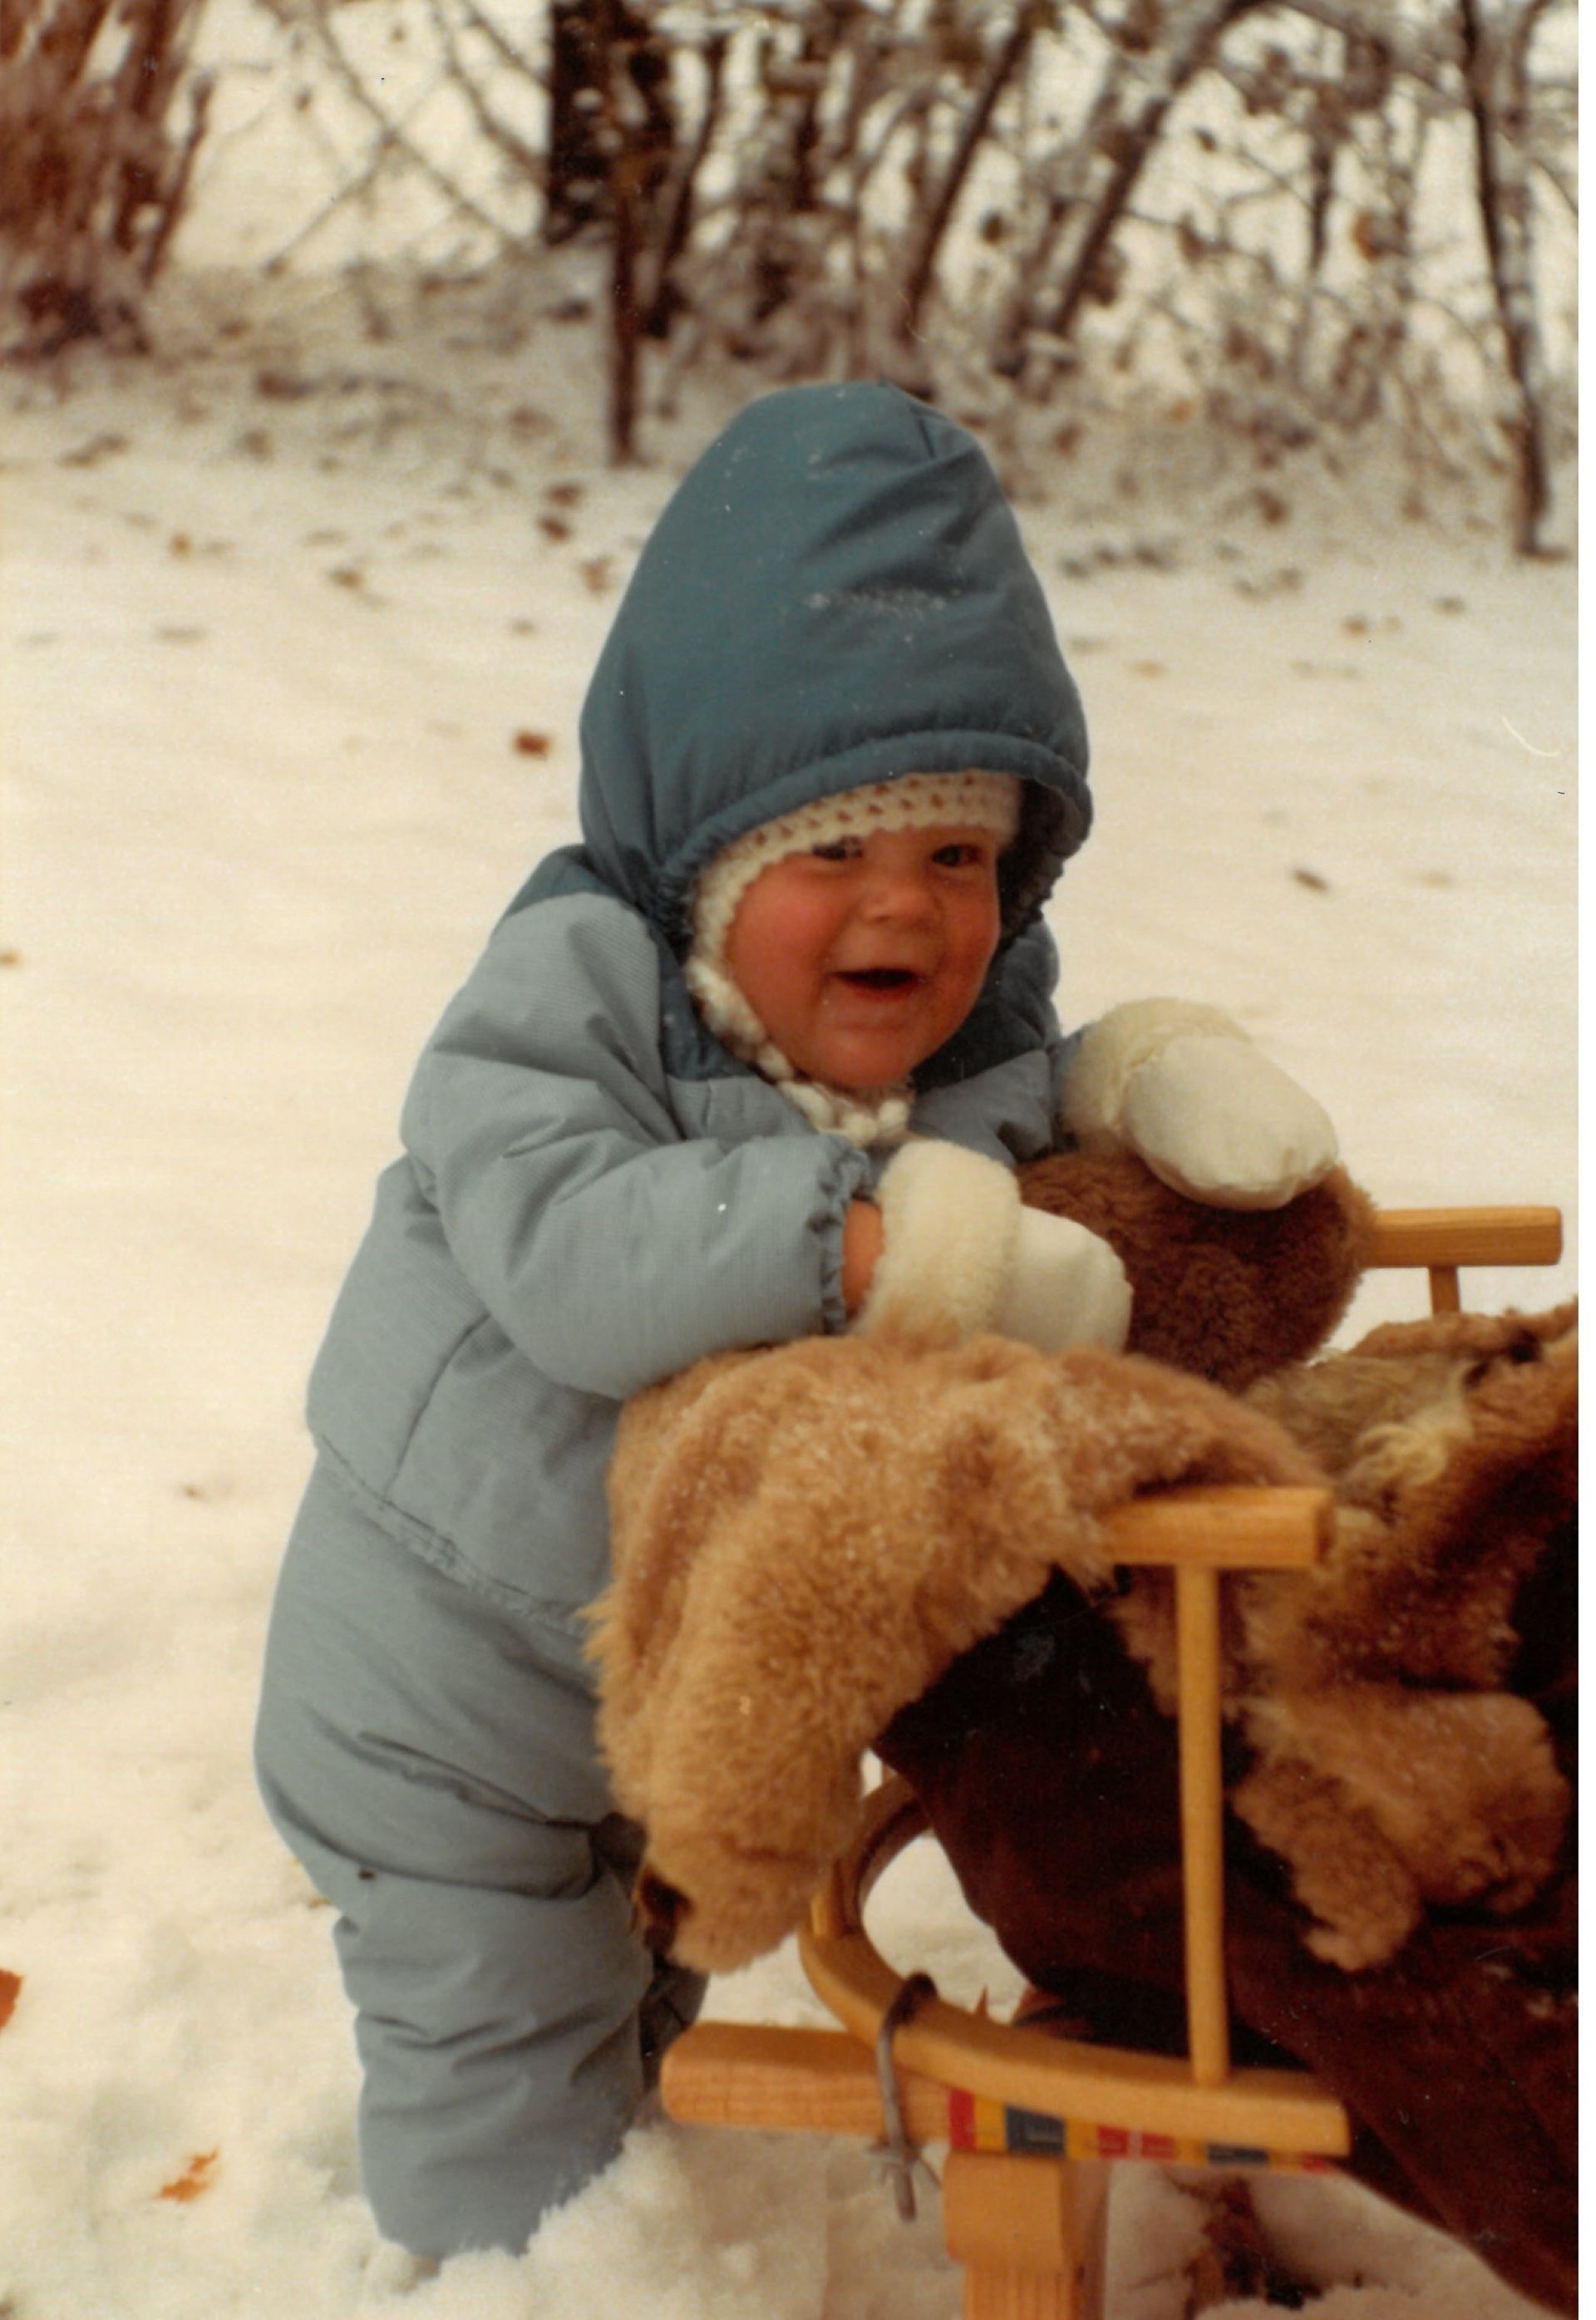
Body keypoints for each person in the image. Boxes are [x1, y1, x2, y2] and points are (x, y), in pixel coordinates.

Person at [254, 382, 1337, 2261]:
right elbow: (573, 1253)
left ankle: (601, 2221)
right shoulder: (576, 988)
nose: (902, 912)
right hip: (434, 1699)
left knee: (637, 2017)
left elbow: (1032, 1139)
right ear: (713, 858)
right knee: (508, 2070)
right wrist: (860, 1248)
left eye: (961, 857)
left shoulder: (974, 1037)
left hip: (671, 1686)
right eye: (833, 853)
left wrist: (1146, 1078)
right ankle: (488, 2275)